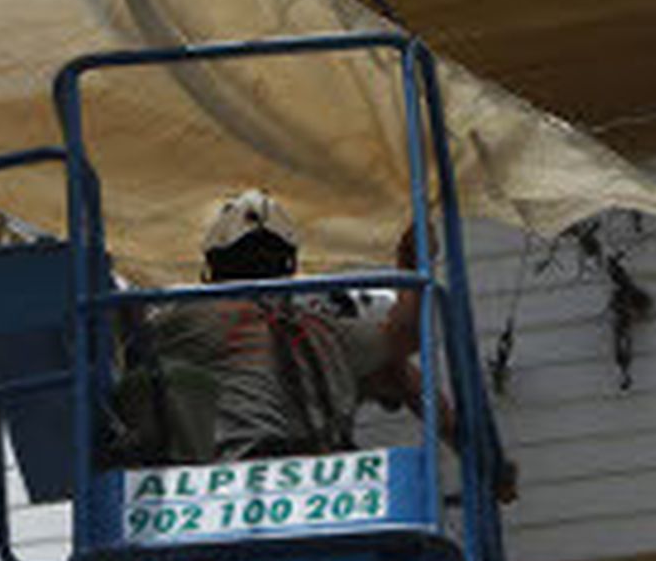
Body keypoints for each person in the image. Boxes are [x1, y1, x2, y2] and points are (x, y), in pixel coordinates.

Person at [109, 189, 517, 501]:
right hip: (326, 479)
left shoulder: (190, 317)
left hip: (243, 475)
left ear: (211, 268)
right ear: (290, 265)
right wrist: (413, 265)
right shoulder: (323, 330)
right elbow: (405, 338)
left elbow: (128, 343)